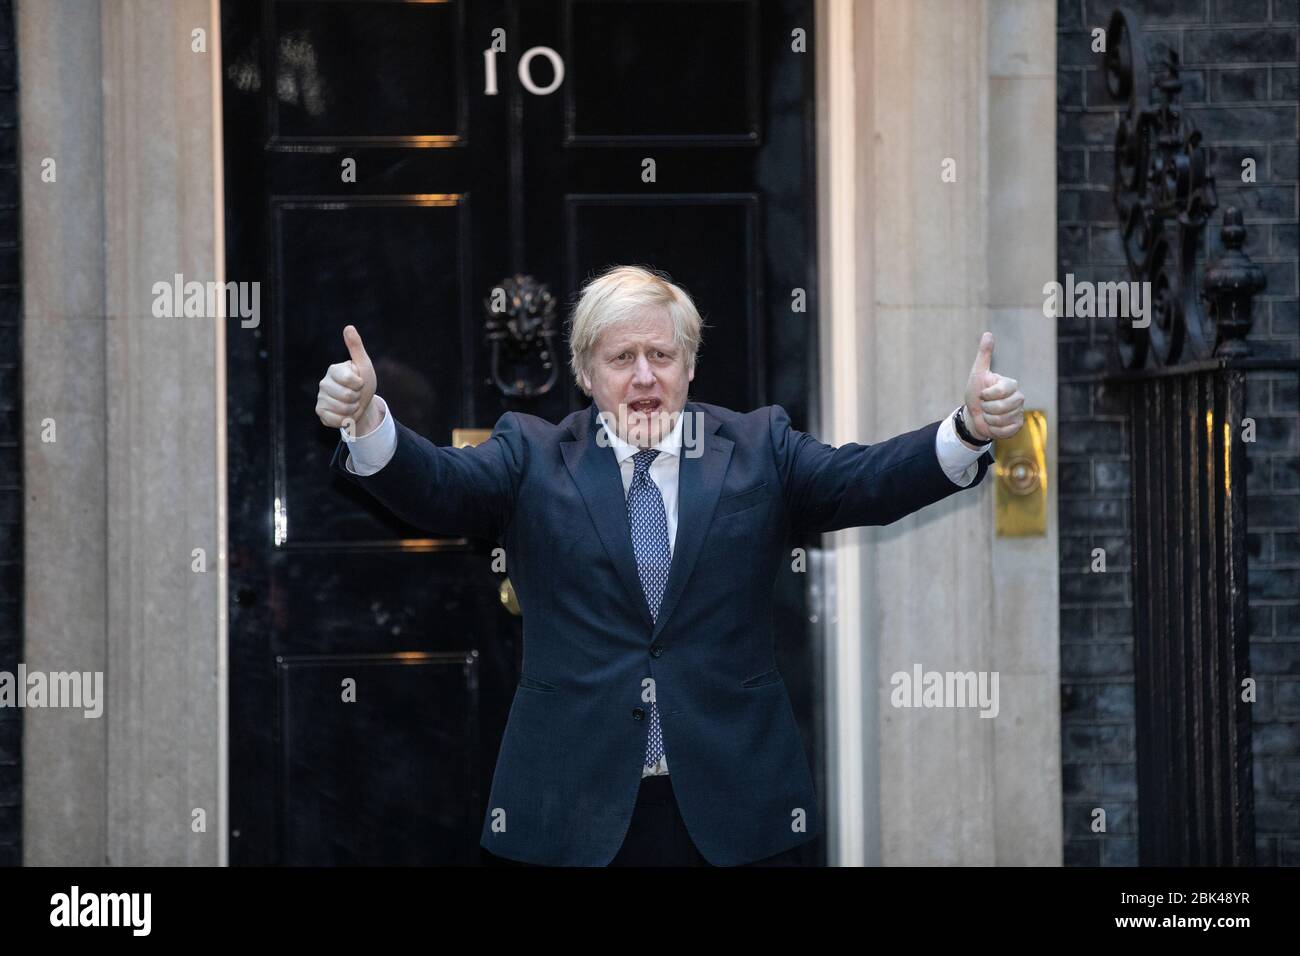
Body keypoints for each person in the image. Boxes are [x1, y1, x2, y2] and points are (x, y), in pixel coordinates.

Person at [315, 265, 1025, 866]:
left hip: (735, 807)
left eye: (662, 355)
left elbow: (867, 480)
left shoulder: (759, 448)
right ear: (587, 374)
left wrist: (964, 429)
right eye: (622, 359)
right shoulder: (529, 454)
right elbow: (440, 488)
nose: (645, 377)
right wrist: (370, 423)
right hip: (571, 810)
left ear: (690, 364)